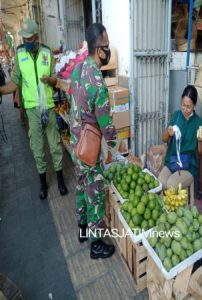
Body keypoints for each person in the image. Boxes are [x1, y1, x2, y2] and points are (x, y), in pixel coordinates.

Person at [69, 23, 126, 259]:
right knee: (95, 194)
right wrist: (120, 147)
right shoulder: (98, 84)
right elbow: (107, 126)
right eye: (107, 45)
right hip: (90, 149)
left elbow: (77, 103)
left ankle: (82, 229)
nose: (109, 50)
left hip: (76, 143)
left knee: (81, 185)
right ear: (99, 49)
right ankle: (95, 244)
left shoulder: (78, 69)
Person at [0, 19, 68, 200]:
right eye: (23, 38)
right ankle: (43, 184)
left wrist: (50, 80)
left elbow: (55, 80)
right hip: (32, 109)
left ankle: (60, 180)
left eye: (28, 38)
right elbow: (16, 82)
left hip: (49, 108)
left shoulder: (47, 52)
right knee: (37, 149)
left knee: (54, 145)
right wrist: (1, 90)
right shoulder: (20, 54)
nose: (25, 41)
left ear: (36, 38)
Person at [158, 85, 202, 195]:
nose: (185, 109)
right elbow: (163, 139)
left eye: (189, 107)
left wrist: (200, 140)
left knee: (171, 184)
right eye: (183, 105)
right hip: (172, 161)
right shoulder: (176, 116)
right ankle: (166, 209)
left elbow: (201, 152)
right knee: (161, 182)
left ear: (194, 105)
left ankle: (176, 208)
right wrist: (168, 133)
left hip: (188, 165)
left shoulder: (198, 123)